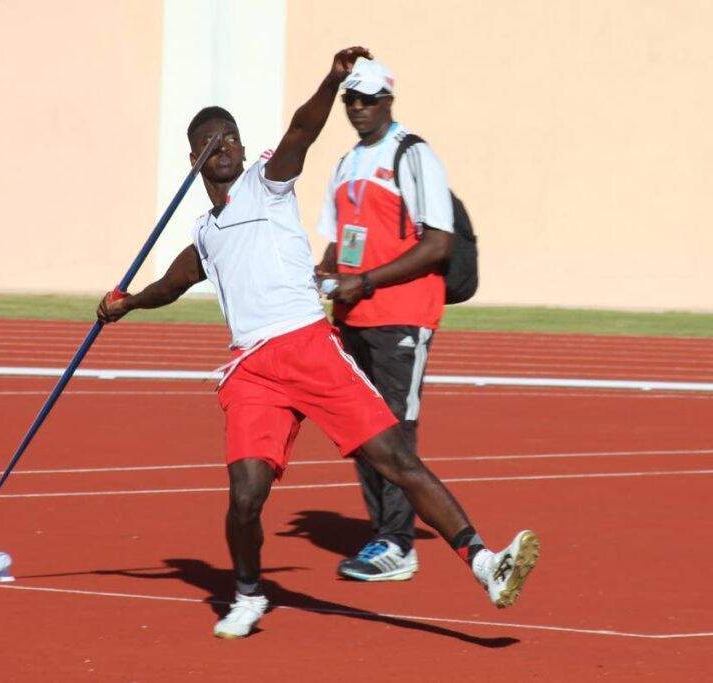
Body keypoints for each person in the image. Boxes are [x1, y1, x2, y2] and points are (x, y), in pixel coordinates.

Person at [97, 47, 539, 640]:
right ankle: (249, 595)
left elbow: (302, 129)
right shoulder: (204, 233)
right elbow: (169, 286)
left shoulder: (268, 182)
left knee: (395, 459)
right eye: (210, 141)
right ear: (194, 156)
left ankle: (484, 562)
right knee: (245, 496)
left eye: (230, 137)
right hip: (252, 369)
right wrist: (125, 304)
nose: (223, 146)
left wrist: (332, 81)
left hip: (308, 345)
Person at [314, 58, 454, 583]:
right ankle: (383, 535)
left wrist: (367, 281)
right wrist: (325, 273)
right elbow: (338, 239)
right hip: (353, 314)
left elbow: (439, 243)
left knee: (394, 430)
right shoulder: (346, 160)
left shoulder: (413, 154)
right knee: (360, 429)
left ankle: (398, 543)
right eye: (351, 99)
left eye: (367, 99)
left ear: (388, 100)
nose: (357, 108)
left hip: (401, 316)